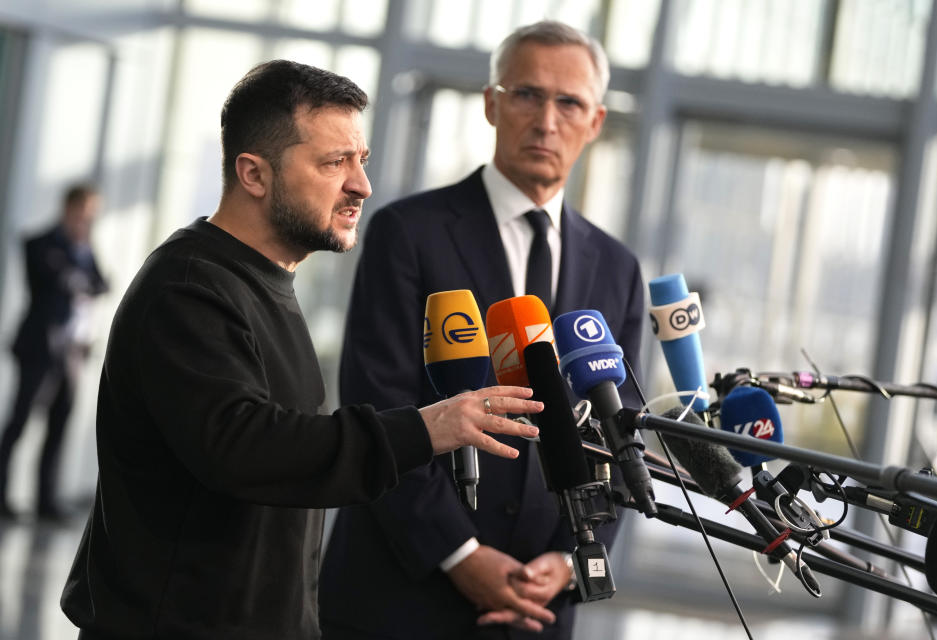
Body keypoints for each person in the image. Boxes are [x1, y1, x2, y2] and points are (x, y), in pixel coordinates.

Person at [59, 60, 544, 640]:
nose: (361, 185)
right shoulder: (187, 288)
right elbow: (244, 447)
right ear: (254, 175)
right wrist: (424, 429)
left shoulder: (263, 280)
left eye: (360, 161)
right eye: (334, 162)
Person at [319, 20, 645, 640]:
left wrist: (572, 557)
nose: (547, 120)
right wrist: (461, 555)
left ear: (595, 122)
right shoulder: (407, 233)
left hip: (539, 608)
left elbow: (617, 427)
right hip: (401, 596)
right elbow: (377, 406)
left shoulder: (618, 268)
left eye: (569, 102)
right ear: (492, 104)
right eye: (527, 94)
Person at [0, 184, 108, 521]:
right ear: (69, 208)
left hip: (72, 353)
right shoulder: (40, 243)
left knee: (59, 426)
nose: (87, 220)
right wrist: (78, 278)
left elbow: (101, 283)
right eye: (84, 212)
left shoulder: (84, 249)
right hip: (40, 348)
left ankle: (46, 500)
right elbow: (61, 281)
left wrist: (79, 273)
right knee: (19, 423)